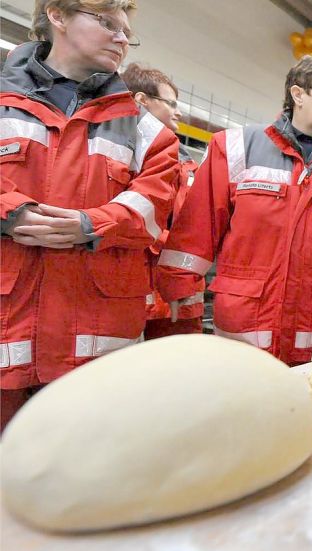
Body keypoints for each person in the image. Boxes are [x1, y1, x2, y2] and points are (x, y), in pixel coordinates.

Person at [0, 0, 179, 429]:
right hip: (9, 333)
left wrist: (92, 223)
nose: (121, 38)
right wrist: (10, 213)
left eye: (126, 30)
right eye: (106, 23)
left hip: (94, 349)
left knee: (86, 475)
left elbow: (154, 204)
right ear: (57, 15)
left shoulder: (146, 130)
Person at [157, 55, 312, 365]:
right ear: (298, 94)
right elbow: (199, 223)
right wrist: (178, 283)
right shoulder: (236, 147)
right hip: (244, 328)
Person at [120, 62, 204, 339]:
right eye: (171, 103)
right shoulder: (117, 154)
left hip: (179, 302)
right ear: (142, 101)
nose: (178, 112)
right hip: (128, 291)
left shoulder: (190, 166)